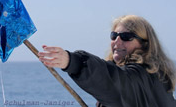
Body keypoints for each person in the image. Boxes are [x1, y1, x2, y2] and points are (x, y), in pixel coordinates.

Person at [38, 15, 176, 107]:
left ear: (145, 43)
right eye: (114, 35)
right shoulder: (159, 78)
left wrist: (73, 62)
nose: (117, 41)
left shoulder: (143, 76)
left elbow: (114, 82)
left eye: (126, 36)